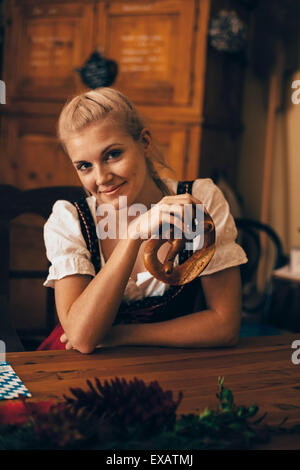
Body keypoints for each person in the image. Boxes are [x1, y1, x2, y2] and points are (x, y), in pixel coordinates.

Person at [38, 87, 247, 354]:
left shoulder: (199, 199)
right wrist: (133, 235)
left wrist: (121, 335)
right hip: (78, 364)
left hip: (171, 362)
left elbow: (225, 326)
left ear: (145, 142)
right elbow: (81, 338)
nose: (101, 178)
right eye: (84, 166)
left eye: (112, 154)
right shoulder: (69, 219)